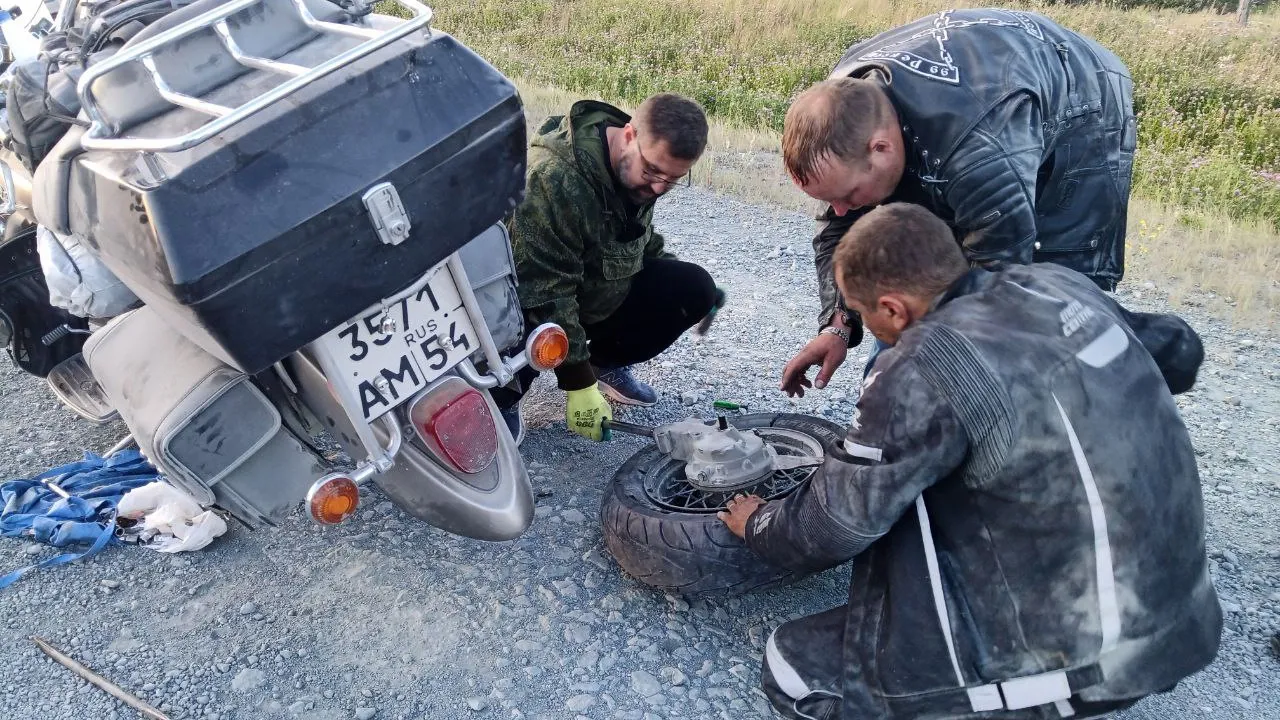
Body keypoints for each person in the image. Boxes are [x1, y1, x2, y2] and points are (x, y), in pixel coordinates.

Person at [720, 203, 1221, 720]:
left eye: (862, 313)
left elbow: (835, 525)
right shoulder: (1055, 285)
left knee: (792, 667)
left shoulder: (924, 364)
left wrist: (758, 522)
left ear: (892, 309)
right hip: (1187, 629)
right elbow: (1181, 352)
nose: (867, 327)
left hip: (1092, 666)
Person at [778, 7, 1137, 398]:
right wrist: (837, 326)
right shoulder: (845, 105)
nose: (842, 209)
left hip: (1083, 103)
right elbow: (839, 232)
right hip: (969, 107)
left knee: (1049, 308)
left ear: (881, 148)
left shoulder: (980, 155)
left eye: (848, 196)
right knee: (914, 280)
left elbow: (998, 276)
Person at [493, 93, 719, 444]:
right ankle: (501, 398)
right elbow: (544, 290)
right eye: (653, 172)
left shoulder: (635, 170)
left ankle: (604, 364)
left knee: (693, 288)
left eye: (673, 179)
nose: (659, 187)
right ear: (629, 135)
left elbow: (637, 238)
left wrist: (688, 290)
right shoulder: (553, 179)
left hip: (590, 293)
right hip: (526, 302)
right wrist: (577, 383)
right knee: (523, 325)